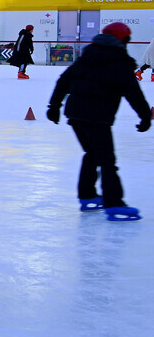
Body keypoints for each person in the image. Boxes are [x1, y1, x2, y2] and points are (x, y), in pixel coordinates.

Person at [47, 22, 150, 222]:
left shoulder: (87, 56)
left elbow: (63, 80)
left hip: (75, 115)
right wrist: (145, 116)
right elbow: (133, 93)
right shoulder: (119, 61)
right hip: (98, 117)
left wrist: (54, 106)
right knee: (107, 161)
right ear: (122, 40)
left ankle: (87, 196)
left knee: (92, 154)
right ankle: (114, 204)